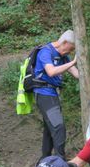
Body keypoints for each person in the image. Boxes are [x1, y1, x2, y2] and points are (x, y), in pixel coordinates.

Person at [33, 30, 79, 158]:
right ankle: (60, 161)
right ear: (64, 42)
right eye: (70, 49)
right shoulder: (45, 51)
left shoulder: (64, 56)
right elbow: (51, 71)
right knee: (58, 127)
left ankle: (44, 160)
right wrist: (72, 62)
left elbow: (76, 74)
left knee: (49, 128)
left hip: (53, 94)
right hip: (43, 94)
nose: (69, 52)